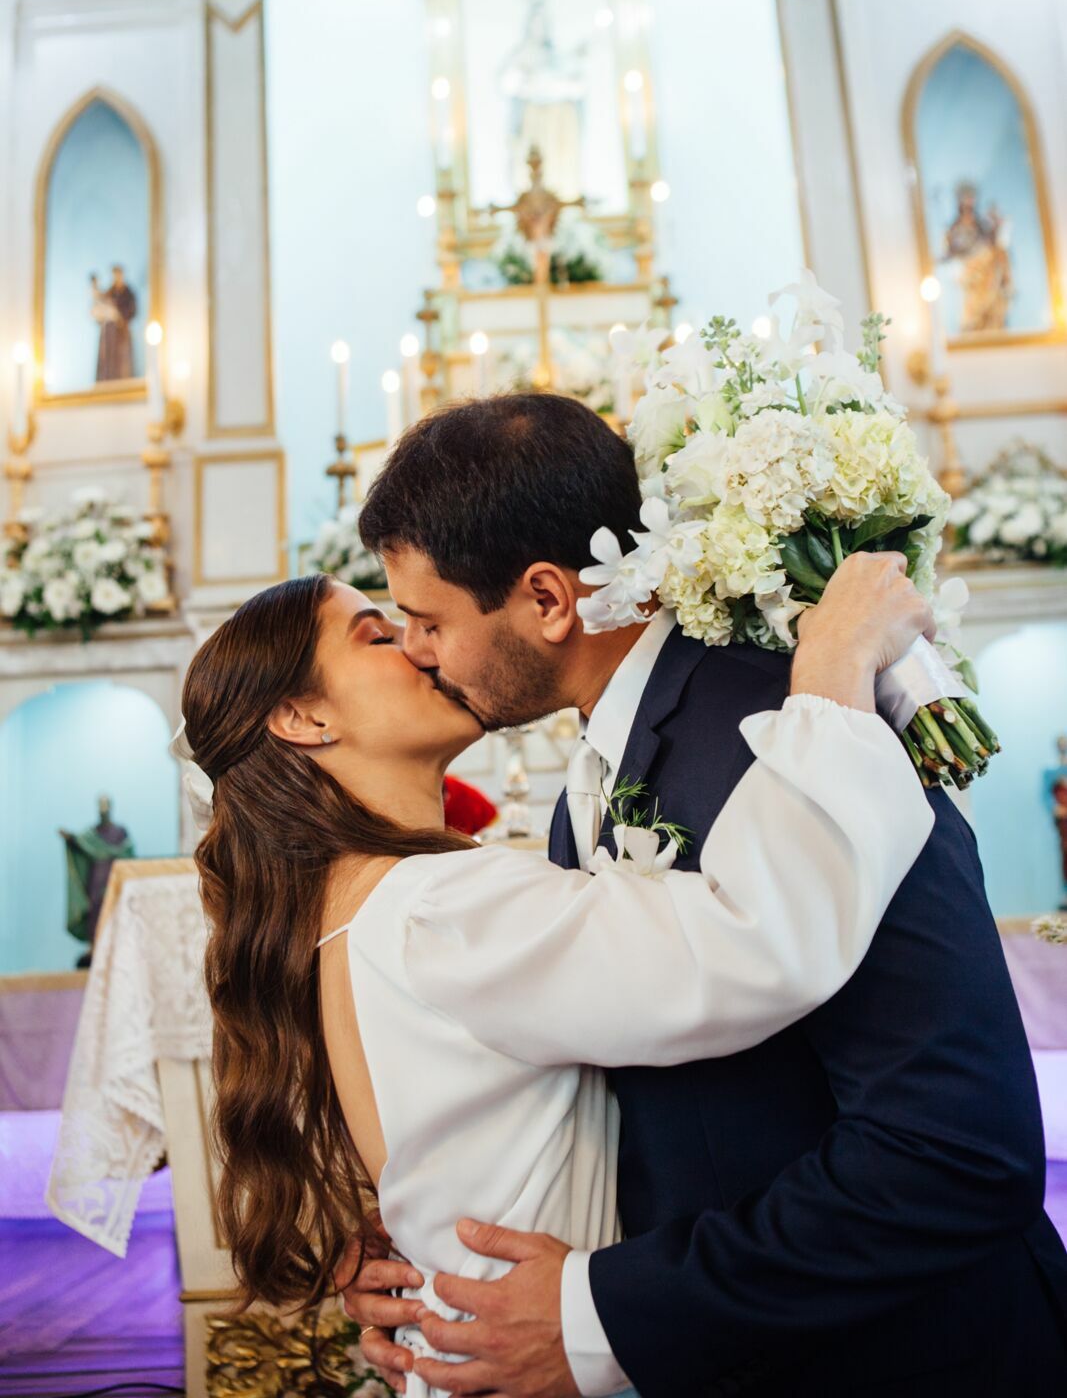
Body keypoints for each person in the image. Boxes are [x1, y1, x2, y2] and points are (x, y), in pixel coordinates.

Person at [347, 393, 1067, 1398]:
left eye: (427, 621)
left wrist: (604, 1315)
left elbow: (950, 1150)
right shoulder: (589, 780)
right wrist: (437, 1272)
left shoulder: (803, 729)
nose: (418, 651)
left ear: (548, 599)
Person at [181, 554, 935, 1398]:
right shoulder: (438, 906)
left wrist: (412, 1233)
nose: (420, 650)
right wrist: (832, 669)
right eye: (379, 635)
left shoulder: (352, 908)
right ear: (303, 716)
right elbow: (756, 945)